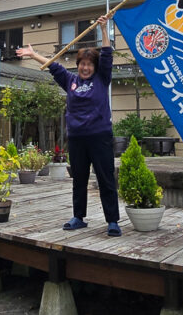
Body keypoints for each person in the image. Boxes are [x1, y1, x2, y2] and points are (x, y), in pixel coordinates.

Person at [16, 15, 121, 237]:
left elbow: (107, 54)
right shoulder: (70, 80)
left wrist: (104, 29)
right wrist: (33, 54)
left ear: (95, 67)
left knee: (106, 179)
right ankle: (78, 217)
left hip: (100, 137)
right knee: (79, 180)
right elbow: (53, 66)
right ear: (78, 65)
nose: (85, 67)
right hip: (77, 139)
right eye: (82, 63)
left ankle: (112, 221)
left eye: (89, 64)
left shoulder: (102, 78)